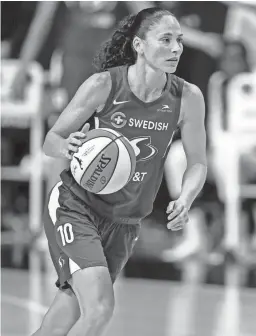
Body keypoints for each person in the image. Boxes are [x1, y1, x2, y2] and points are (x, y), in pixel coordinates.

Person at [34, 7, 207, 336]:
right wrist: (68, 147)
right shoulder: (104, 84)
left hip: (125, 221)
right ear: (139, 45)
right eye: (166, 40)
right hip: (76, 206)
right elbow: (50, 140)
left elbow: (197, 161)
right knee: (100, 308)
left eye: (179, 41)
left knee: (68, 311)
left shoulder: (188, 97)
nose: (176, 49)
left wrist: (186, 197)